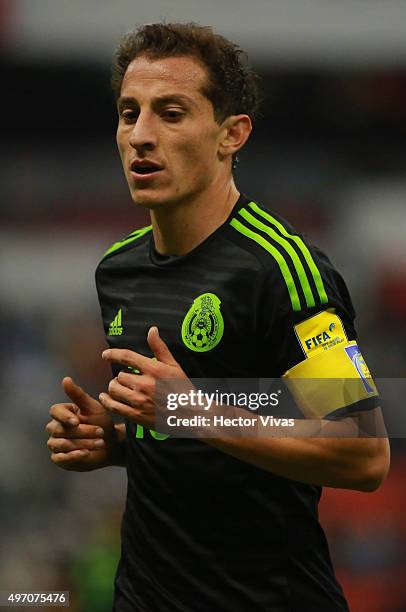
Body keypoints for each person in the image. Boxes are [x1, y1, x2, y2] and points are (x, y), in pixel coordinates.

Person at [46, 23, 390, 611]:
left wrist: (185, 409)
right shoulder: (118, 269)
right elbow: (210, 426)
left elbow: (361, 451)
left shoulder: (282, 270)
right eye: (130, 114)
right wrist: (124, 439)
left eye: (172, 113)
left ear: (232, 134)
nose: (141, 136)